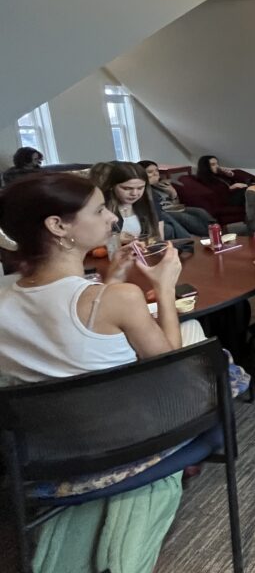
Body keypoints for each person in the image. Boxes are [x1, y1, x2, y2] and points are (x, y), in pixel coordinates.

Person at [0, 172, 189, 571]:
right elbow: (169, 364)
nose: (112, 219)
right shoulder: (119, 299)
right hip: (124, 438)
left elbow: (58, 332)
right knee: (194, 336)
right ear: (57, 226)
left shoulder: (6, 295)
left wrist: (113, 277)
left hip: (46, 444)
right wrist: (167, 288)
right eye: (99, 210)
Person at [139, 160, 215, 237]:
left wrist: (173, 193)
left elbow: (176, 203)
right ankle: (207, 233)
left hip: (174, 208)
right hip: (164, 211)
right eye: (150, 172)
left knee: (199, 211)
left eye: (156, 170)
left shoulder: (164, 184)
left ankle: (215, 228)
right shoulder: (143, 189)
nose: (155, 174)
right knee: (184, 217)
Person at [103, 161, 163, 242]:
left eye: (140, 188)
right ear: (112, 186)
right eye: (126, 188)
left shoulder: (149, 202)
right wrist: (115, 239)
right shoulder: (101, 209)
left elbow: (158, 239)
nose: (134, 194)